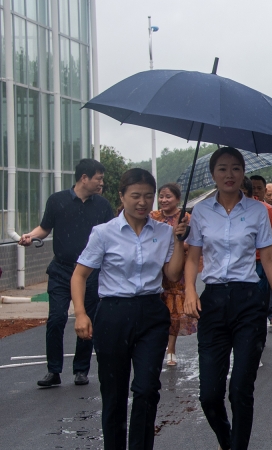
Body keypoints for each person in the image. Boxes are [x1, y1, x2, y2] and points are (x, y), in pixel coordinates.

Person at [183, 147, 272, 450]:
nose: (229, 174)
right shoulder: (201, 212)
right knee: (209, 395)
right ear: (213, 174)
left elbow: (268, 259)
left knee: (241, 390)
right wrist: (190, 290)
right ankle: (228, 442)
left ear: (243, 173)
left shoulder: (258, 211)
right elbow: (192, 257)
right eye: (222, 168)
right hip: (214, 301)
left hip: (248, 301)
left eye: (235, 168)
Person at [71, 168, 186, 450]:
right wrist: (81, 314)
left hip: (151, 313)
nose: (142, 202)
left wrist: (179, 240)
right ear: (121, 196)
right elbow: (79, 275)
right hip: (113, 314)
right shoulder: (104, 233)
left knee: (147, 389)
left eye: (148, 196)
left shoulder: (164, 232)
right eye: (135, 196)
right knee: (114, 392)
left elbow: (172, 275)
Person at [19, 158, 114, 388]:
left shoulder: (103, 206)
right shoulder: (57, 200)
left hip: (90, 273)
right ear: (84, 178)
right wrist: (30, 236)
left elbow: (112, 235)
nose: (101, 183)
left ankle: (81, 370)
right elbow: (45, 228)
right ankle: (53, 370)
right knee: (56, 318)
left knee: (87, 319)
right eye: (99, 178)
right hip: (61, 270)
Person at [150, 183, 198, 367]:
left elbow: (194, 244)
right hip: (155, 267)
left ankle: (171, 348)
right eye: (161, 196)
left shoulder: (186, 218)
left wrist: (177, 241)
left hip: (177, 267)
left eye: (168, 196)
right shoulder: (152, 217)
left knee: (173, 310)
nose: (164, 200)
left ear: (177, 199)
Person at [244, 179, 272, 327]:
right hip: (240, 264)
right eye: (253, 188)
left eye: (259, 188)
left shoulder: (266, 210)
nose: (256, 191)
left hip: (260, 263)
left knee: (258, 302)